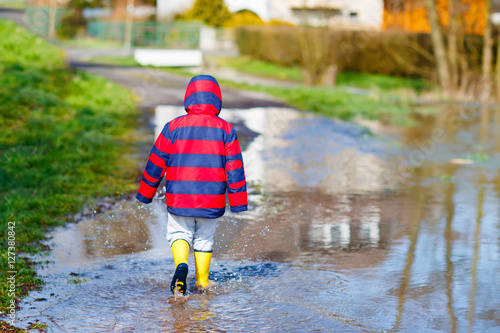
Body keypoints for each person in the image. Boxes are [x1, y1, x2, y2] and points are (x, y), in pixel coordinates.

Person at [136, 75, 248, 295]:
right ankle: (203, 281)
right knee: (205, 237)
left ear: (189, 98)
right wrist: (237, 204)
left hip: (179, 196)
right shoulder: (226, 130)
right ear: (217, 100)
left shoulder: (173, 127)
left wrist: (145, 193)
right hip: (212, 198)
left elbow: (156, 162)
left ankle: (181, 266)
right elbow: (235, 170)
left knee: (178, 232)